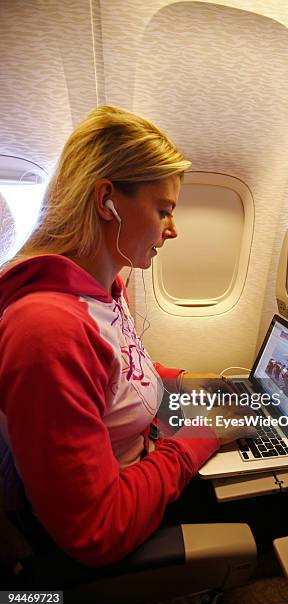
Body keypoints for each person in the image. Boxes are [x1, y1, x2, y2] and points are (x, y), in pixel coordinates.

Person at [0, 105, 247, 568]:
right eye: (163, 211)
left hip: (150, 459)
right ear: (106, 201)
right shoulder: (48, 332)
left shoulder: (104, 290)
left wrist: (188, 380)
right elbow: (95, 530)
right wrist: (203, 435)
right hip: (116, 532)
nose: (173, 230)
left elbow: (120, 374)